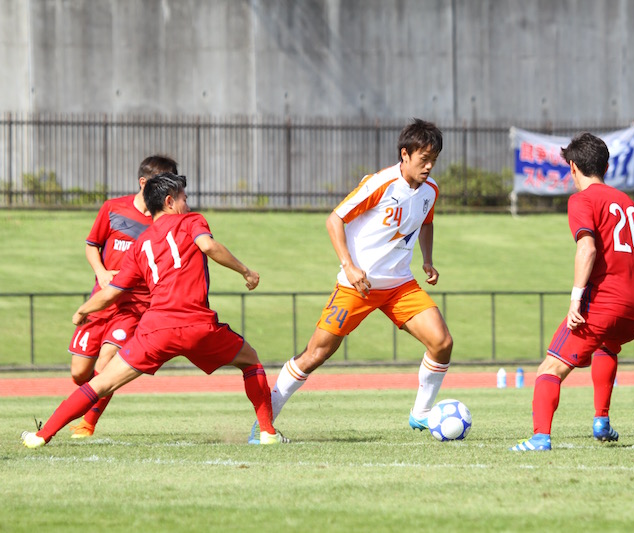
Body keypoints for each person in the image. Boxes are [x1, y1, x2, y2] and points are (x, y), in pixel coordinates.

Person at [21, 173, 286, 448]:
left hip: (155, 330)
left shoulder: (140, 245)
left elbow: (112, 292)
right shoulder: (192, 221)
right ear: (170, 201)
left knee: (102, 383)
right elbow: (207, 245)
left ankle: (42, 436)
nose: (187, 203)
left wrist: (82, 311)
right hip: (197, 326)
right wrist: (247, 271)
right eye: (184, 197)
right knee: (250, 361)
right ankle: (266, 432)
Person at [249, 118, 452, 443]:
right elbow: (334, 220)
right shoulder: (380, 184)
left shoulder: (431, 191)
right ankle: (265, 423)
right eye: (423, 159)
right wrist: (350, 266)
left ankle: (422, 414)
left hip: (399, 286)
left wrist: (427, 260)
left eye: (434, 160)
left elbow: (427, 222)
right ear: (405, 154)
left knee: (442, 343)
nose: (429, 166)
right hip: (356, 286)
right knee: (315, 354)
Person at [511, 132, 634, 452]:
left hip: (605, 304)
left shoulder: (582, 200)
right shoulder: (630, 204)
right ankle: (601, 421)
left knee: (549, 369)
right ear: (605, 167)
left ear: (573, 167)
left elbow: (588, 249)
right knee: (608, 344)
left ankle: (540, 438)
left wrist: (575, 299)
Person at [67, 155, 178, 439]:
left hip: (135, 306)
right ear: (144, 183)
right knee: (80, 373)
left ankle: (86, 424)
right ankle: (80, 402)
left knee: (106, 364)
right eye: (165, 184)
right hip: (101, 301)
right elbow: (92, 245)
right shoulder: (112, 208)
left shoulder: (166, 220)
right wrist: (102, 272)